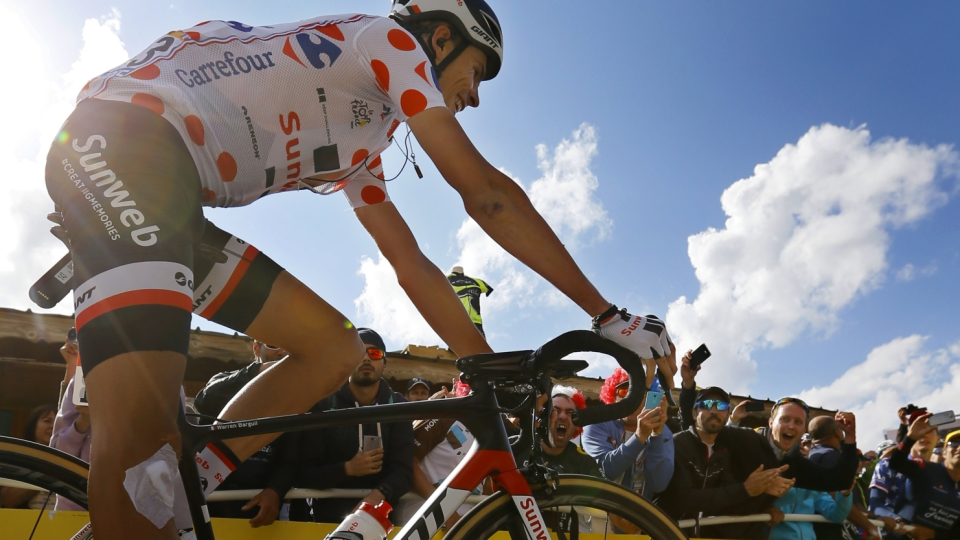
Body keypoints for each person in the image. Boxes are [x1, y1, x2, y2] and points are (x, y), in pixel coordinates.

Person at [43, 1, 675, 537]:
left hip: (165, 192)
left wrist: (481, 365)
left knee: (333, 348)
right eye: (477, 73)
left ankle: (178, 490)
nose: (476, 98)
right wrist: (608, 316)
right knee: (139, 450)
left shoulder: (361, 141)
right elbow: (486, 195)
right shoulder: (389, 40)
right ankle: (148, 494)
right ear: (442, 37)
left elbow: (409, 263)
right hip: (124, 151)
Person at [677, 350, 860, 539]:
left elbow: (841, 480)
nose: (791, 426)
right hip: (711, 532)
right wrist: (688, 386)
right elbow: (697, 426)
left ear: (804, 429)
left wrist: (850, 437)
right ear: (771, 423)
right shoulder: (744, 439)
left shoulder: (796, 464)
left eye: (798, 422)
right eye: (785, 419)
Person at [267, 328, 414, 525]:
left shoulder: (399, 406)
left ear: (384, 364)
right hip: (327, 521)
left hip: (381, 519)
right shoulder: (323, 404)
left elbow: (404, 472)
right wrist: (347, 469)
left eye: (375, 353)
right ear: (346, 363)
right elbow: (305, 473)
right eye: (359, 353)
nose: (366, 359)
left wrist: (375, 498)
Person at [658, 385, 793, 539]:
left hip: (696, 534)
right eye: (707, 405)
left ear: (728, 414)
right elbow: (683, 499)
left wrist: (762, 503)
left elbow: (728, 501)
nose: (714, 411)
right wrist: (745, 489)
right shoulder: (678, 444)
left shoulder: (725, 451)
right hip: (662, 531)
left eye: (721, 406)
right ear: (695, 413)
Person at [192, 340, 291, 525]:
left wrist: (276, 490)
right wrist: (258, 372)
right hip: (210, 499)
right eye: (272, 344)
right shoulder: (226, 378)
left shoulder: (295, 395)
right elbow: (204, 399)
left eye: (287, 345)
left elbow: (294, 453)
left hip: (260, 506)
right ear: (256, 348)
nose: (282, 351)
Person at [582, 369, 674, 500]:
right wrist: (640, 437)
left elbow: (659, 485)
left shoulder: (662, 432)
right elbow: (607, 471)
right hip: (600, 513)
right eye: (623, 392)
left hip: (638, 515)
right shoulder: (596, 424)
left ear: (647, 399)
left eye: (637, 393)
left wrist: (656, 436)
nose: (630, 399)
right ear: (612, 398)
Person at [887, 418, 960, 540]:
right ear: (944, 453)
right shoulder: (926, 468)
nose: (959, 448)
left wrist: (932, 534)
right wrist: (910, 437)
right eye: (954, 444)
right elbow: (896, 463)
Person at [50, 330, 92, 512]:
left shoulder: (158, 382)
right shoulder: (82, 381)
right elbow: (57, 455)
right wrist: (83, 421)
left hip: (134, 508)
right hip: (77, 508)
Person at [0, 404, 58, 510]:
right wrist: (48, 473)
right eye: (47, 421)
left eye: (58, 422)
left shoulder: (73, 458)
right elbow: (8, 500)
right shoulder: (19, 456)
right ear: (33, 425)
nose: (53, 426)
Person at [446, 266, 494, 336]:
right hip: (456, 321)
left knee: (480, 347)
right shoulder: (444, 279)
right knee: (456, 346)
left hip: (476, 322)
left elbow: (488, 289)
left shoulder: (478, 282)